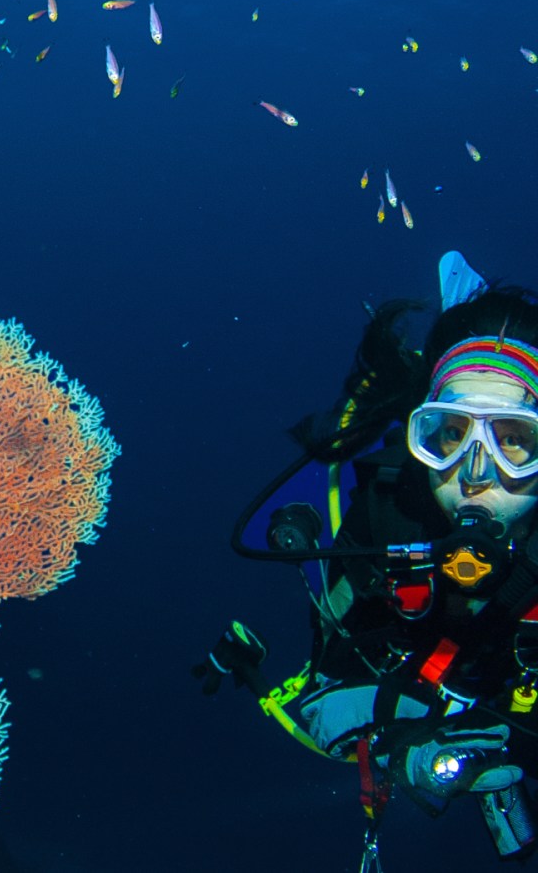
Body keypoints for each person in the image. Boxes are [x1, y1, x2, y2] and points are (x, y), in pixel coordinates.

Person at [197, 253, 538, 866]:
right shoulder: (386, 520)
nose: (477, 474)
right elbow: (325, 680)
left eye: (515, 440)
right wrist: (399, 742)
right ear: (420, 435)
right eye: (452, 433)